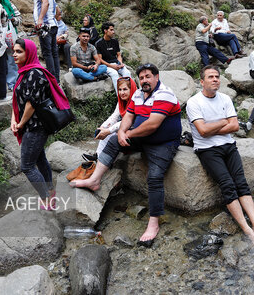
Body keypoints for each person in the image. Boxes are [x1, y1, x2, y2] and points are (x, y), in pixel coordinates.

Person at [71, 63, 182, 244]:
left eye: (148, 76)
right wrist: (121, 132)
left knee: (154, 176)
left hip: (163, 143)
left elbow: (152, 124)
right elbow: (128, 116)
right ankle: (95, 180)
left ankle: (154, 222)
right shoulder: (138, 94)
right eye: (142, 77)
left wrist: (128, 133)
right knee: (114, 140)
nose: (144, 80)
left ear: (156, 77)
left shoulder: (165, 94)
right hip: (141, 138)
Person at [187, 66, 254, 249]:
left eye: (217, 77)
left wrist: (214, 125)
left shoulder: (225, 98)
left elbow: (235, 126)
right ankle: (248, 231)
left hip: (228, 146)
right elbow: (203, 132)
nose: (215, 80)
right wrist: (222, 121)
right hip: (207, 149)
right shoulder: (194, 102)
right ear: (202, 82)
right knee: (228, 186)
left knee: (241, 183)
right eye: (210, 77)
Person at [11, 38, 71, 209]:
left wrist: (21, 123)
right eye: (14, 51)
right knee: (40, 158)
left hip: (36, 126)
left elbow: (31, 104)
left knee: (27, 166)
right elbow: (17, 99)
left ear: (28, 53)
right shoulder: (24, 72)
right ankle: (50, 192)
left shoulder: (35, 73)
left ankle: (46, 198)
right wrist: (14, 120)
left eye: (19, 51)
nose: (14, 54)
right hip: (28, 124)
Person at [83, 76, 138, 160]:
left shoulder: (137, 102)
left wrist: (108, 130)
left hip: (134, 130)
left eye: (125, 89)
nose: (121, 93)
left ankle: (103, 159)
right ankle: (97, 156)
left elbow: (128, 121)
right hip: (124, 126)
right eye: (120, 90)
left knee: (110, 133)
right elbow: (114, 116)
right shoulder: (122, 101)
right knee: (106, 130)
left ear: (131, 89)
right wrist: (103, 127)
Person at [30, 0, 60, 82]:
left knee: (47, 53)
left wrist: (40, 19)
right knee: (54, 52)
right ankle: (57, 78)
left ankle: (52, 79)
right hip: (53, 25)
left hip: (45, 26)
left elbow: (45, 2)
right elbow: (58, 10)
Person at [96, 22, 131, 92]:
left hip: (116, 63)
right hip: (106, 65)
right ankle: (120, 98)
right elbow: (100, 59)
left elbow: (118, 55)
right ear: (105, 31)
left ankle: (129, 96)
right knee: (114, 74)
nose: (113, 32)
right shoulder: (99, 43)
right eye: (111, 30)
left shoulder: (115, 41)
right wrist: (112, 66)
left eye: (113, 30)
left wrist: (120, 63)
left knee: (127, 73)